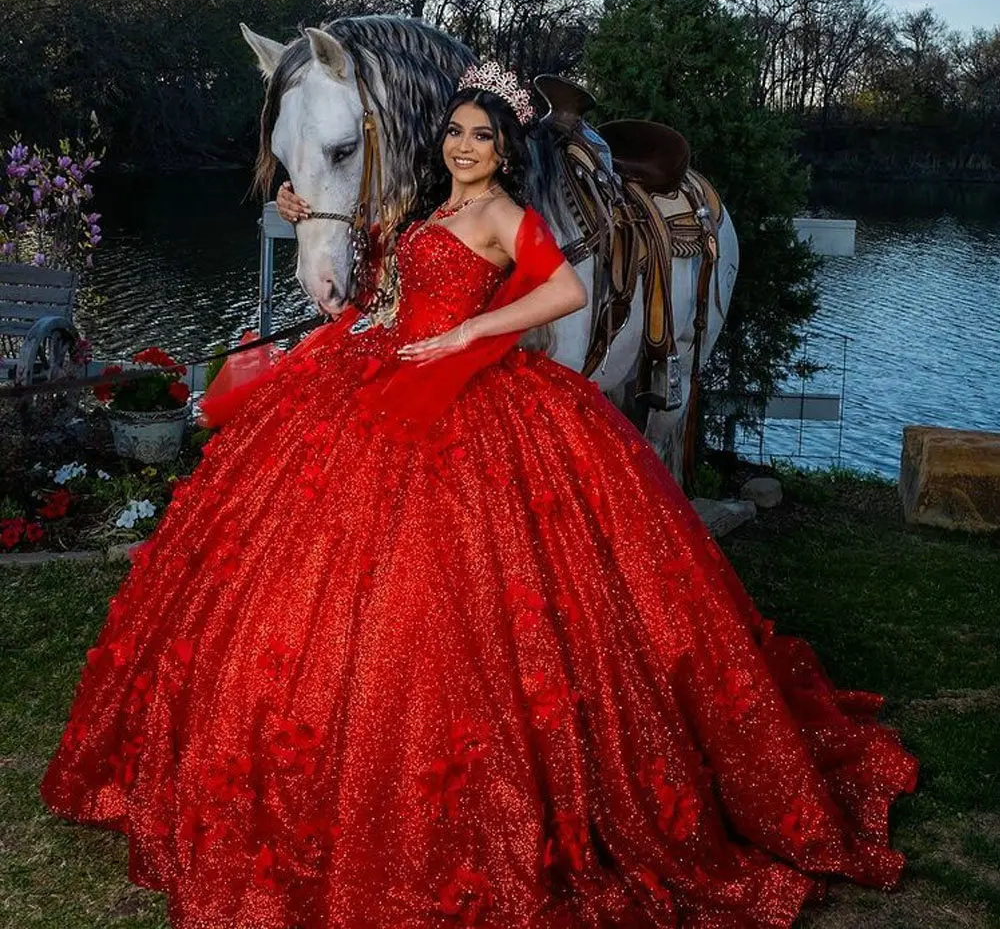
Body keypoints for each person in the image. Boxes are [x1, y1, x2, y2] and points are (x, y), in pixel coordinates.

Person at [40, 63, 917, 929]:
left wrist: (470, 329)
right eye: (456, 132)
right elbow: (383, 261)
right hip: (389, 373)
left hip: (465, 387)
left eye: (482, 136)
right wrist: (301, 210)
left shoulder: (502, 213)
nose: (464, 147)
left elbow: (565, 290)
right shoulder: (434, 206)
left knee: (458, 583)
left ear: (505, 150)